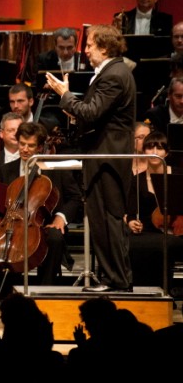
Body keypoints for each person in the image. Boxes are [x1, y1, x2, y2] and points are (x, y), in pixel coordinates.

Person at [46, 23, 136, 292]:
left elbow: (91, 112)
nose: (84, 51)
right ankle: (113, 279)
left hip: (108, 157)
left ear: (105, 47)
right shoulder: (111, 72)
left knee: (108, 219)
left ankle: (118, 281)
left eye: (89, 45)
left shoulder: (114, 75)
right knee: (100, 219)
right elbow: (94, 113)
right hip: (102, 154)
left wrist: (65, 95)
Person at [0, 122, 81, 286]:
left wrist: (61, 218)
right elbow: (1, 205)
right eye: (22, 144)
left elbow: (75, 197)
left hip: (44, 224)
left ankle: (44, 289)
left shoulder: (55, 168)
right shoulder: (6, 170)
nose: (25, 149)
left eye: (31, 145)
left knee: (55, 239)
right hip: (13, 223)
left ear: (40, 147)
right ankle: (8, 291)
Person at [125, 131, 183, 290]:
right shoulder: (137, 180)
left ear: (167, 152)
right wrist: (131, 222)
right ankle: (143, 293)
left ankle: (165, 291)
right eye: (150, 148)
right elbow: (131, 212)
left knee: (166, 244)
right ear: (144, 151)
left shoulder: (179, 175)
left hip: (176, 231)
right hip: (147, 231)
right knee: (133, 244)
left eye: (159, 148)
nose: (155, 152)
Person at [0, 112, 23, 177]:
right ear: (1, 133)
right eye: (11, 130)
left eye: (19, 130)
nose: (16, 134)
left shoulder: (33, 159)